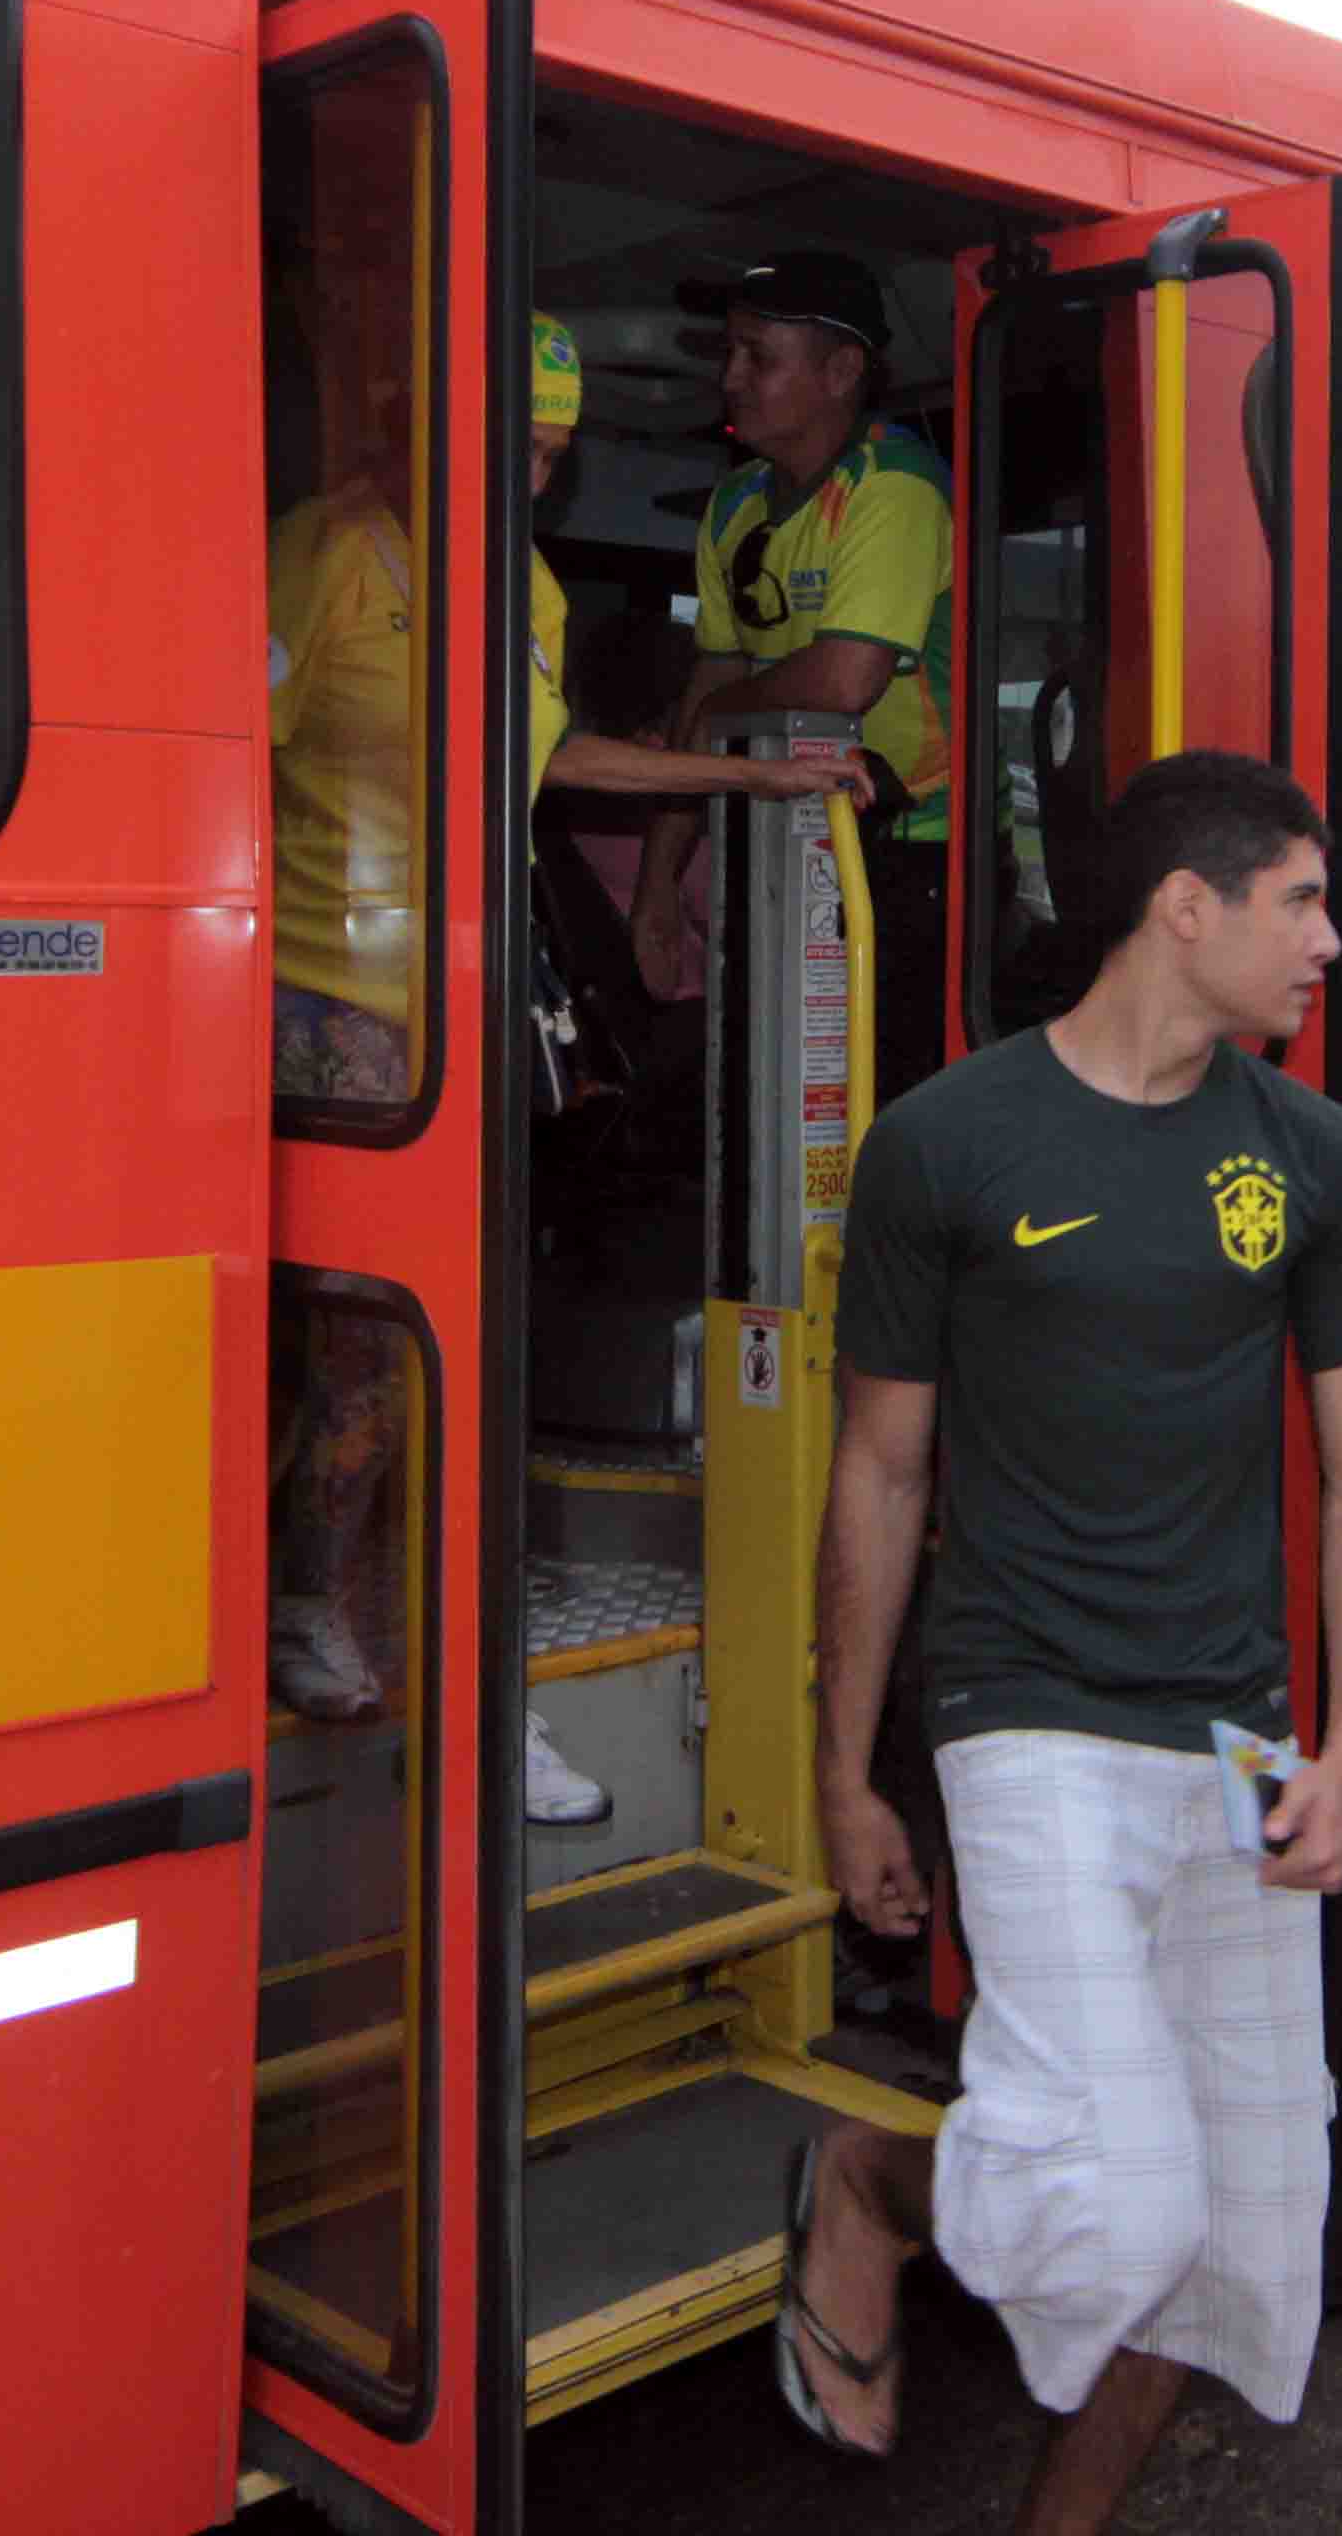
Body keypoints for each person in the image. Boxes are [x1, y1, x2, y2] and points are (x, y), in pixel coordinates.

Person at [780, 752, 1342, 2528]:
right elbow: (881, 1472)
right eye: (1298, 902)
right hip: (1022, 1702)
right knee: (1117, 2200)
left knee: (1241, 2236)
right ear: (1181, 906)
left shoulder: (1313, 1159)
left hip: (1232, 1741)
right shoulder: (948, 1141)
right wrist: (845, 1774)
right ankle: (874, 2186)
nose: (1323, 945)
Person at [269, 313, 865, 1812]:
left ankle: (446, 1655)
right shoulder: (326, 555)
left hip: (453, 1017)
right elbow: (215, 742)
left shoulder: (519, 585)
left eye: (550, 456)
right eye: (512, 445)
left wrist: (757, 775)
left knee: (459, 1344)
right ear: (425, 422)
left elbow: (547, 762)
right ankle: (307, 1608)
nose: (529, 479)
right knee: (361, 1351)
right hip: (306, 999)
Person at [633, 252, 961, 1102]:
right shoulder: (736, 505)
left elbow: (846, 679)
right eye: (729, 354)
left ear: (841, 372)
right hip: (776, 843)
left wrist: (725, 710)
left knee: (880, 1110)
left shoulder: (894, 485)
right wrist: (659, 882)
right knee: (768, 1102)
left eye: (759, 356)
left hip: (911, 855)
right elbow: (703, 697)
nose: (731, 377)